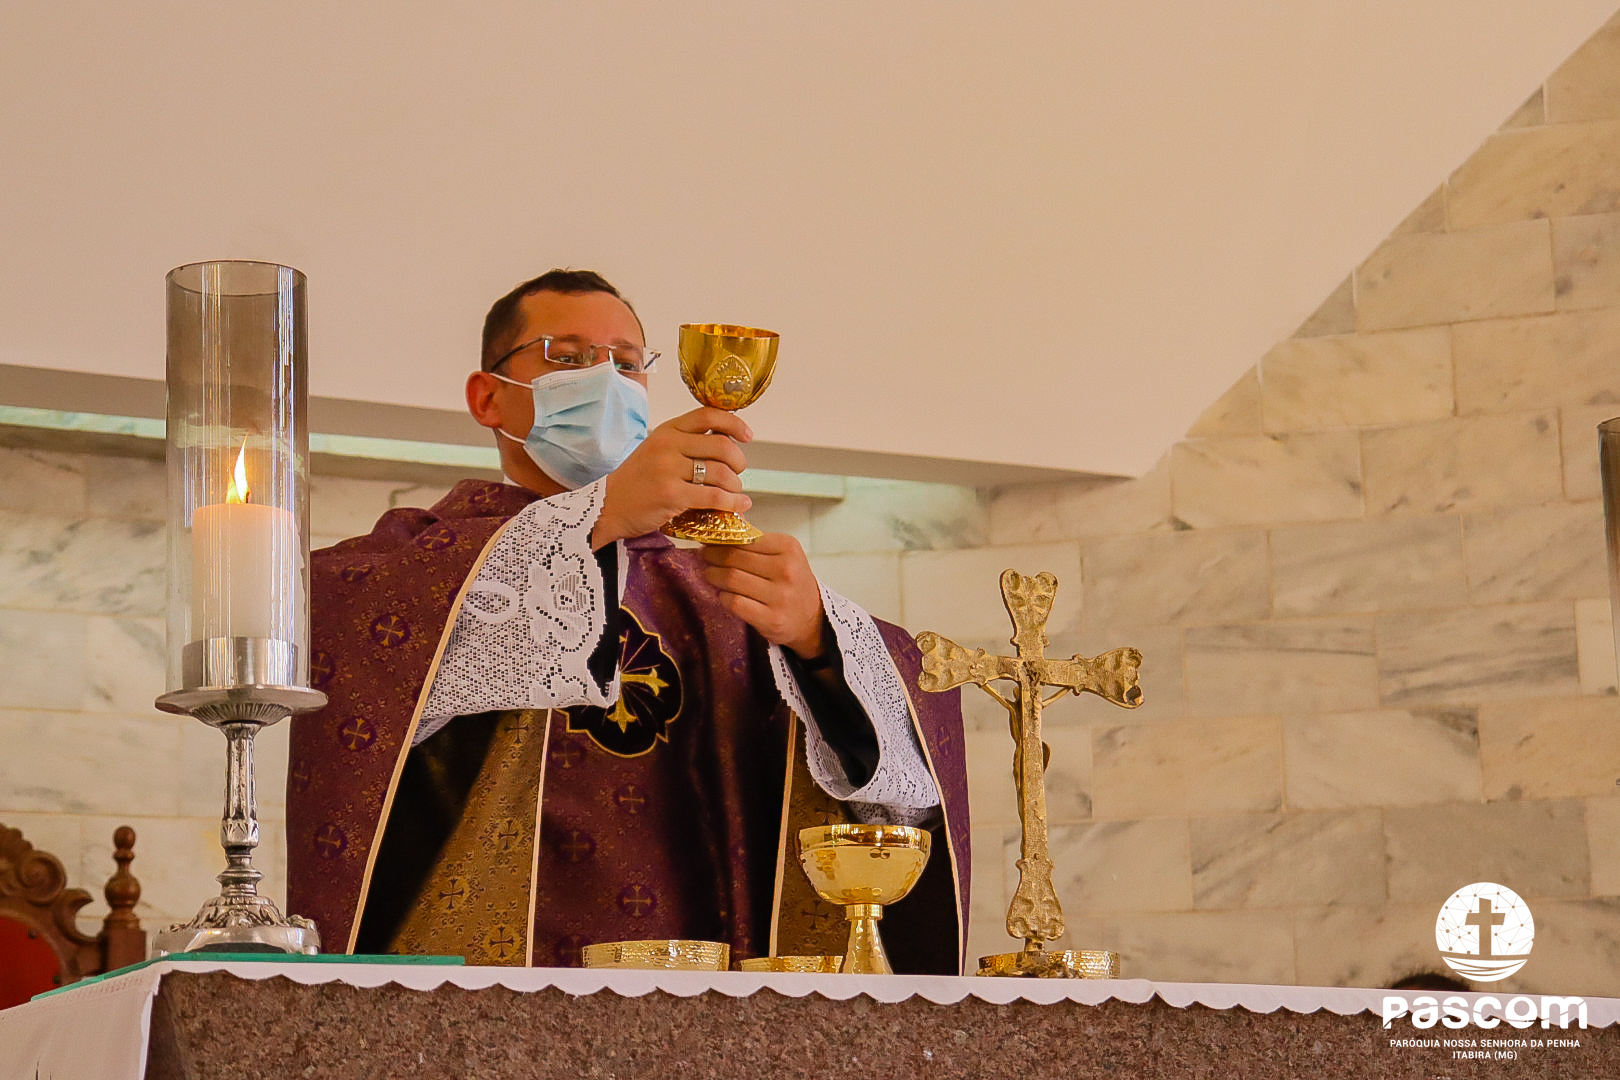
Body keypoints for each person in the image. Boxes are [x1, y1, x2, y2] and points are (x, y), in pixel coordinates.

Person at [286, 270, 970, 973]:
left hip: (705, 987)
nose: (605, 380)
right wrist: (601, 511)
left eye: (626, 363)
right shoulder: (413, 564)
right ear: (488, 397)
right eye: (568, 357)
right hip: (482, 991)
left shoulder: (716, 588)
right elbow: (358, 656)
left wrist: (818, 643)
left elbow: (899, 801)